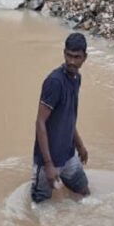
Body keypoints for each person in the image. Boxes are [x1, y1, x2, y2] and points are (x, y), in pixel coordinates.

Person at [32, 33, 90, 203]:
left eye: (77, 57)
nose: (72, 61)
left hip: (68, 155)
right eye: (69, 56)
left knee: (85, 193)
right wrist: (48, 164)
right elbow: (40, 122)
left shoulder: (76, 78)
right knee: (40, 207)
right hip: (48, 161)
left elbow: (69, 116)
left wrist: (80, 145)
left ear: (84, 58)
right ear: (64, 53)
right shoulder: (54, 83)